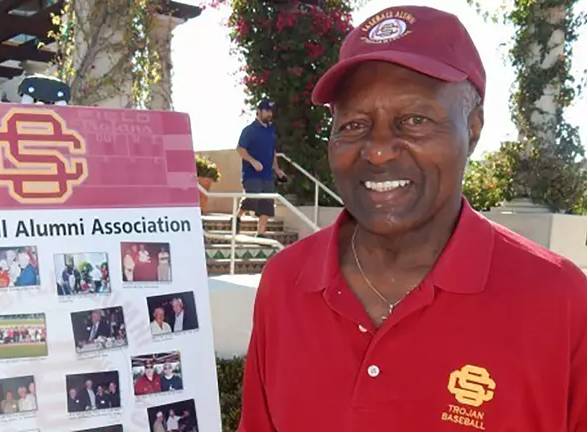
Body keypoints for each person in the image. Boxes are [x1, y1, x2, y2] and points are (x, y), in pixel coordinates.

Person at [239, 6, 587, 431]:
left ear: (473, 127)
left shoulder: (559, 300)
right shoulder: (285, 283)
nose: (378, 149)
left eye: (415, 120)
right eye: (353, 124)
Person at [236, 98, 285, 237]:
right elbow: (240, 149)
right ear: (259, 112)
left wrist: (277, 169)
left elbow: (272, 151)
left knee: (267, 205)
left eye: (271, 111)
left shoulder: (271, 130)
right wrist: (253, 161)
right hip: (251, 174)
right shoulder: (249, 130)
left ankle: (261, 234)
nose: (269, 114)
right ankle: (237, 217)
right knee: (252, 199)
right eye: (266, 111)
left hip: (267, 175)